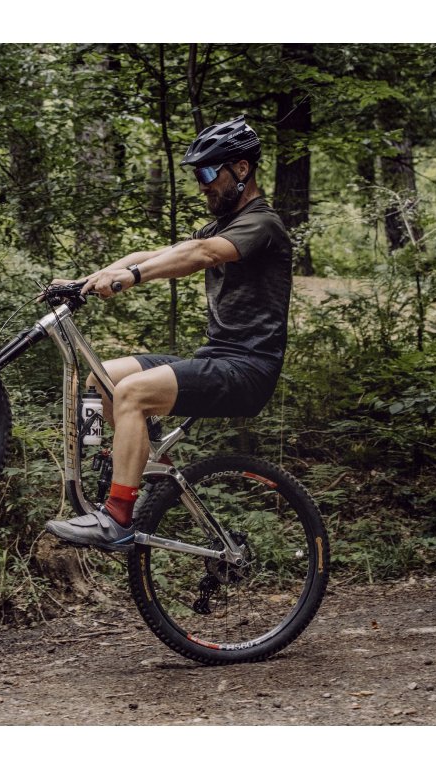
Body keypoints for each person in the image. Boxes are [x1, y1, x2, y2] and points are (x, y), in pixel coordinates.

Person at [44, 115, 293, 552]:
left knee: (132, 394)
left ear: (241, 168)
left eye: (208, 172)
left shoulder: (262, 224)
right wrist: (89, 279)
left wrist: (132, 278)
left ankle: (117, 518)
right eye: (198, 175)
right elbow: (158, 252)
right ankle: (131, 467)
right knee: (102, 379)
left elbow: (201, 254)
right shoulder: (222, 225)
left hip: (248, 369)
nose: (202, 185)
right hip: (216, 357)